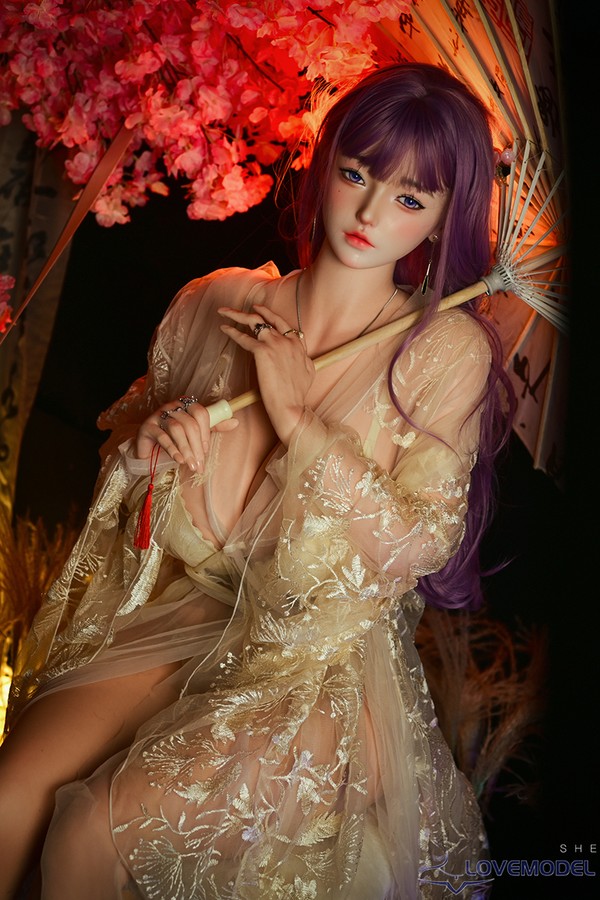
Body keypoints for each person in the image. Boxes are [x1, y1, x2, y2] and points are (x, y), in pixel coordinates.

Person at [0, 62, 514, 898]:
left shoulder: (441, 351)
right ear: (324, 162)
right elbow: (122, 461)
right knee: (9, 801)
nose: (371, 215)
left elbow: (420, 544)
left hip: (310, 659)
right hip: (176, 616)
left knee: (95, 832)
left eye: (411, 198)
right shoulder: (215, 303)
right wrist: (145, 452)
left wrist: (301, 420)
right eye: (357, 174)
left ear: (443, 216)